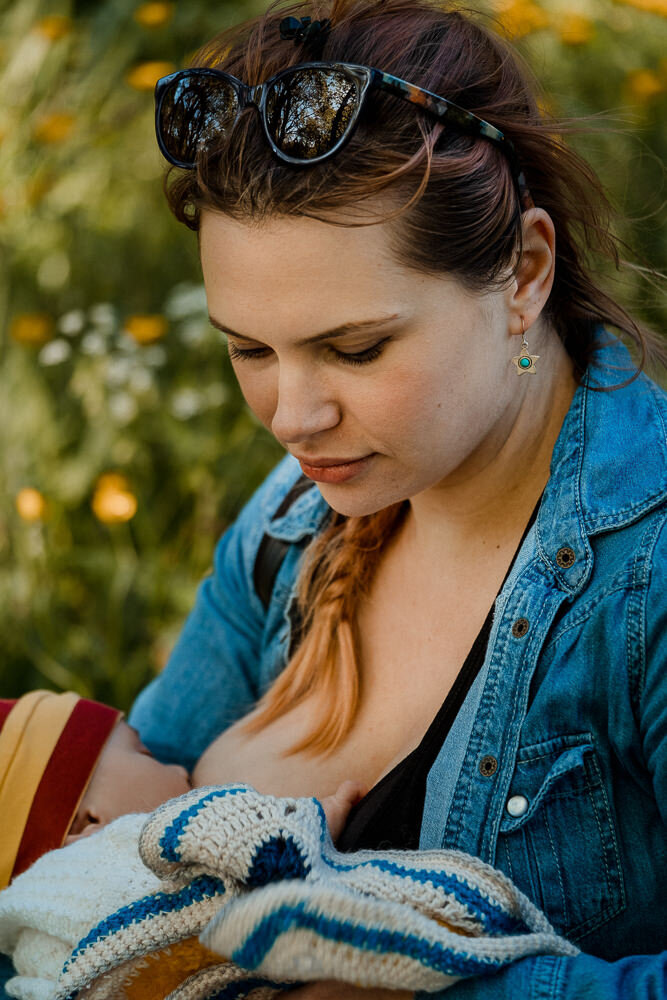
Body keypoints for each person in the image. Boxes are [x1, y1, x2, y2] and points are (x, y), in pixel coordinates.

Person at [77, 0, 667, 995]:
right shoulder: (286, 523)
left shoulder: (642, 579)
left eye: (354, 349)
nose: (291, 417)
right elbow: (106, 862)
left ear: (523, 272)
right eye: (248, 350)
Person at [0, 690, 364, 998]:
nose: (179, 769)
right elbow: (230, 873)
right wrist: (306, 822)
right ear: (89, 821)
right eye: (145, 754)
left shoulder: (29, 939)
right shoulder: (120, 854)